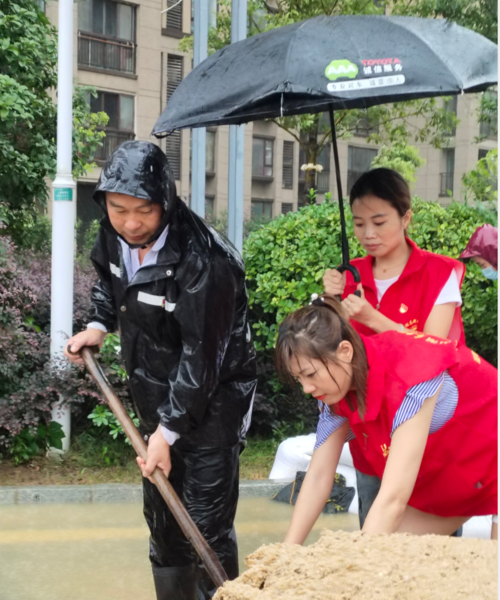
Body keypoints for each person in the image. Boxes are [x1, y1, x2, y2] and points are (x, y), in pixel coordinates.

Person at [64, 141, 257, 600]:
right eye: (118, 208)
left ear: (166, 201)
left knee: (205, 526)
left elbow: (201, 357)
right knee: (165, 525)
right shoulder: (115, 235)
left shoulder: (206, 261)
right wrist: (98, 323)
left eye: (144, 211)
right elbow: (110, 282)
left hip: (214, 404)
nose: (130, 222)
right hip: (157, 396)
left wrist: (167, 433)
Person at [274, 295, 497, 544]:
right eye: (299, 379)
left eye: (310, 374)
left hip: (488, 447)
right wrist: (284, 554)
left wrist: (360, 565)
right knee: (392, 556)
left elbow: (393, 498)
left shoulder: (410, 376)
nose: (307, 388)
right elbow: (317, 477)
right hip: (458, 476)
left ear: (345, 351)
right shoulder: (335, 389)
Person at [322, 168, 465, 528]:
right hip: (371, 427)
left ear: (406, 218)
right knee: (376, 536)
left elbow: (436, 351)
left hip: (431, 430)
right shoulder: (349, 276)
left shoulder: (439, 274)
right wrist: (329, 299)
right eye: (358, 224)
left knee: (434, 550)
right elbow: (333, 348)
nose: (367, 234)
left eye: (379, 221)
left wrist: (373, 318)